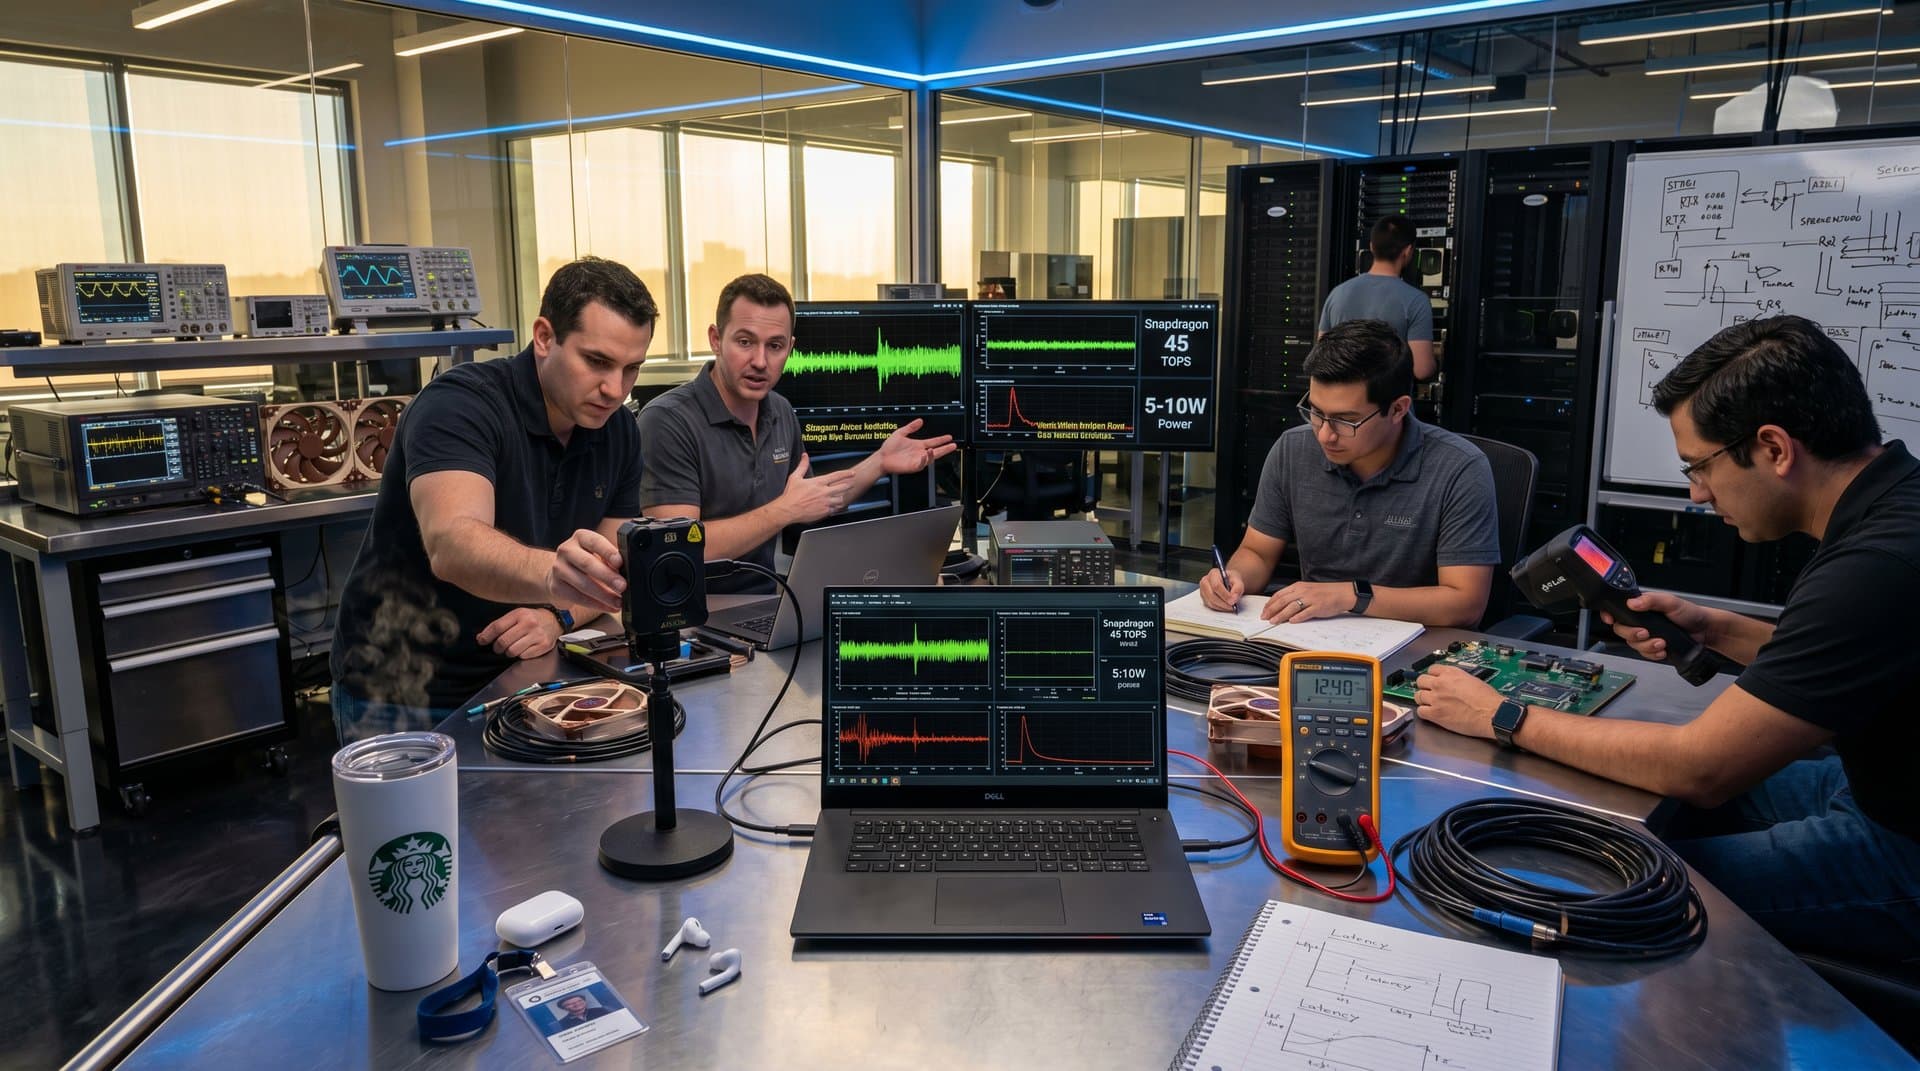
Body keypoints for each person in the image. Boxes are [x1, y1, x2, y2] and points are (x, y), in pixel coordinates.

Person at [1413, 314, 1920, 966]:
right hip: (1872, 781)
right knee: (1649, 814)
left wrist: (1502, 714)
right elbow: (1847, 663)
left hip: (1899, 845)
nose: (1697, 492)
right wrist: (1719, 630)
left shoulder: (1875, 564)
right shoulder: (1893, 501)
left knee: (1606, 884)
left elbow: (1699, 767)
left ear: (1774, 447)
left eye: (1701, 466)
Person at [329, 257, 654, 741]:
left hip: (523, 682)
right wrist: (553, 577)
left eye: (632, 369)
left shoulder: (619, 428)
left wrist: (557, 615)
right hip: (404, 693)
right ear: (544, 337)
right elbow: (452, 543)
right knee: (416, 821)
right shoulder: (459, 405)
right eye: (597, 362)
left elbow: (611, 573)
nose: (614, 389)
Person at [637, 273, 958, 591]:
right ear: (716, 340)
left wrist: (881, 461)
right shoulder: (667, 421)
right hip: (691, 618)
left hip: (764, 606)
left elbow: (813, 501)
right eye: (745, 342)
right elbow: (676, 549)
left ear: (789, 348)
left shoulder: (779, 411)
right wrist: (783, 511)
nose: (760, 361)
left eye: (775, 346)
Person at [1200, 319, 1498, 628]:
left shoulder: (1460, 469)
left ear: (1398, 409)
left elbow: (1465, 603)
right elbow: (1257, 553)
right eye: (1316, 412)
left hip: (1416, 648)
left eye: (1346, 420)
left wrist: (1351, 597)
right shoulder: (1293, 450)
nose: (1325, 435)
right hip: (1308, 636)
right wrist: (1234, 579)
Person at [1319, 214, 1437, 381]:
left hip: (1341, 403)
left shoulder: (1337, 293)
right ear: (1408, 251)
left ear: (1372, 247)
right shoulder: (1416, 300)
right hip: (1387, 405)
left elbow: (1322, 358)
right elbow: (1422, 370)